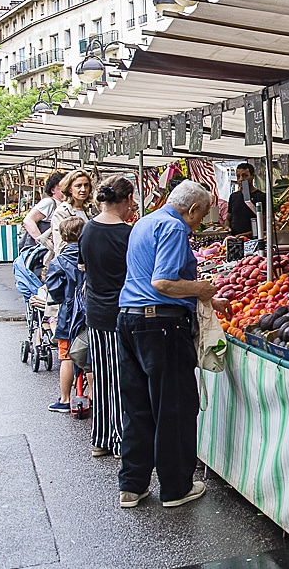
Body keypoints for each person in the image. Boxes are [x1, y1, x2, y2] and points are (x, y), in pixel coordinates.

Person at [117, 180, 224, 509]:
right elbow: (163, 282)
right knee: (174, 407)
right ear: (191, 209)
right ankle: (176, 487)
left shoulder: (144, 222)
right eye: (201, 216)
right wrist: (201, 289)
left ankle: (132, 486)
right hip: (161, 326)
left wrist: (206, 300)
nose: (199, 223)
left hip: (129, 319)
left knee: (138, 408)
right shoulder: (174, 228)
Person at [80, 175, 135, 458]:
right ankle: (119, 438)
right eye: (131, 200)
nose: (133, 205)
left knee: (100, 375)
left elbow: (83, 268)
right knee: (120, 376)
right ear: (125, 200)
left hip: (96, 312)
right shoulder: (127, 235)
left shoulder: (87, 230)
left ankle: (100, 437)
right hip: (120, 311)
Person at [45, 217, 87, 414]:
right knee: (90, 357)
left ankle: (65, 399)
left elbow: (54, 291)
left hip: (67, 315)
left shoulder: (58, 261)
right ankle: (94, 397)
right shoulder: (90, 257)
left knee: (67, 356)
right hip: (89, 312)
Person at [49, 169, 94, 256]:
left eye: (86, 185)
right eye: (78, 186)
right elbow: (60, 246)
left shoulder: (86, 211)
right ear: (70, 189)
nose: (83, 189)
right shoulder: (62, 212)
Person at [22, 171, 66, 250]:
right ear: (53, 190)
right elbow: (28, 220)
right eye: (61, 188)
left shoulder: (64, 204)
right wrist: (42, 242)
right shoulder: (49, 202)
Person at [226, 162, 264, 237]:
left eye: (244, 176)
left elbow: (264, 223)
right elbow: (228, 218)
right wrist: (227, 227)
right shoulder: (233, 196)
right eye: (238, 176)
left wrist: (245, 235)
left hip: (254, 239)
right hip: (235, 239)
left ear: (252, 176)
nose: (241, 179)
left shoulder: (262, 197)